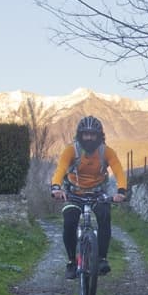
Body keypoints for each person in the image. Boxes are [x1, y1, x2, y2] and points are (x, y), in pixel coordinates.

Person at [51, 116, 127, 279]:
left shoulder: (106, 151)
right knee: (70, 220)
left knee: (105, 216)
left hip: (98, 193)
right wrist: (56, 187)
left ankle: (102, 259)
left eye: (93, 134)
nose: (89, 138)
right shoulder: (72, 150)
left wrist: (121, 190)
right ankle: (72, 262)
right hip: (74, 193)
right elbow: (61, 169)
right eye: (85, 134)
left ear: (100, 136)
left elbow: (118, 170)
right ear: (80, 135)